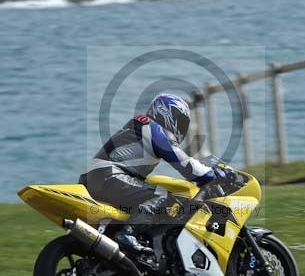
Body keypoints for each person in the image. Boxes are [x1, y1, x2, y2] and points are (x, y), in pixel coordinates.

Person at [79, 93, 224, 260]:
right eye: (180, 121)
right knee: (163, 197)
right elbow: (183, 163)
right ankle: (128, 233)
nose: (181, 128)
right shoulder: (151, 127)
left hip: (100, 177)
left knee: (149, 195)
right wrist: (211, 173)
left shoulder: (141, 127)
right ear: (166, 113)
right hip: (108, 175)